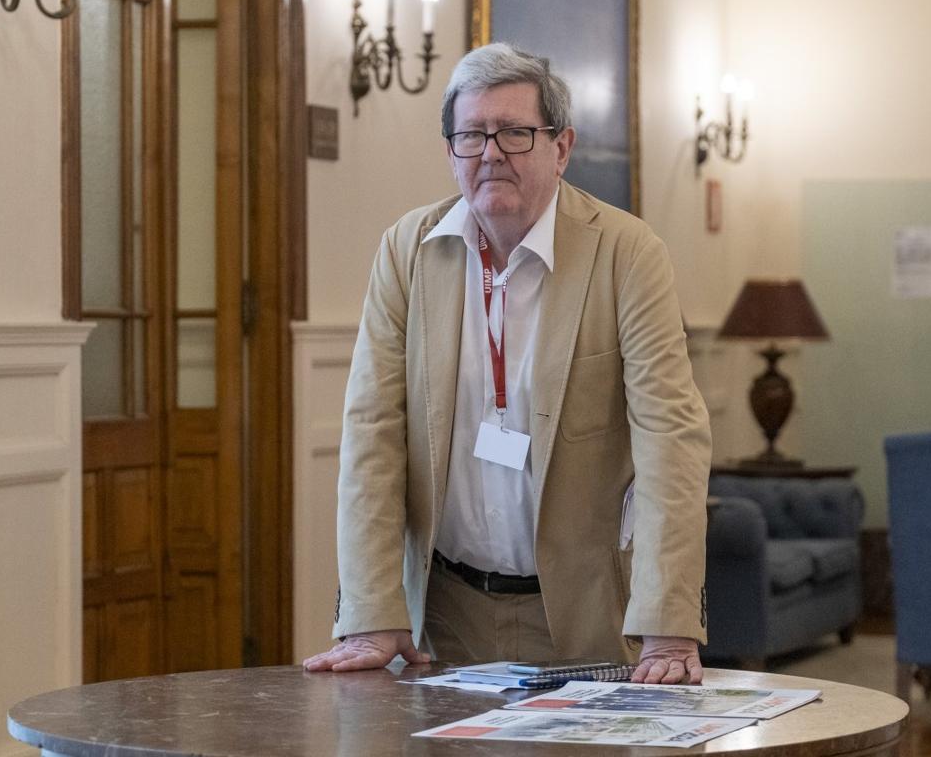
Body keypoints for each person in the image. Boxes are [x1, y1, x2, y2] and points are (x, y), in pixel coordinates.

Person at [303, 43, 711, 684]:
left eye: (516, 133)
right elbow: (373, 435)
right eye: (471, 135)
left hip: (586, 615)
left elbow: (671, 443)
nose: (491, 153)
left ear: (561, 146)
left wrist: (667, 625)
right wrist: (372, 612)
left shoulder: (628, 254)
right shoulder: (407, 251)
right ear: (451, 151)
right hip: (444, 617)